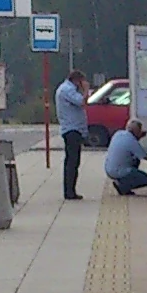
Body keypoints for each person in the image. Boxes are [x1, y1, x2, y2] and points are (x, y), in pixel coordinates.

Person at [54, 67, 90, 200]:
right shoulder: (67, 90)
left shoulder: (67, 89)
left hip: (73, 129)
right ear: (76, 80)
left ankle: (71, 190)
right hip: (71, 130)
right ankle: (69, 191)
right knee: (72, 162)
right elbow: (81, 102)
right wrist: (85, 90)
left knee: (73, 161)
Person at [102, 117, 147, 196]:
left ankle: (123, 182)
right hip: (118, 171)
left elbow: (130, 145)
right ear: (136, 131)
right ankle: (123, 186)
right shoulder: (132, 141)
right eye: (140, 130)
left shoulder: (118, 134)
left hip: (109, 169)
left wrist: (139, 136)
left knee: (136, 160)